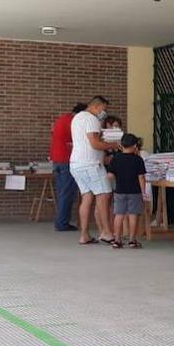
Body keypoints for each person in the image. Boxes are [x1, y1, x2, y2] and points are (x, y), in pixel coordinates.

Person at [71, 96, 118, 244]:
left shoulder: (77, 118)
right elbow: (95, 144)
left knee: (87, 197)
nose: (104, 112)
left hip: (76, 163)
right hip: (90, 164)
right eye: (104, 109)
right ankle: (106, 232)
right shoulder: (92, 119)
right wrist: (114, 145)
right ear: (97, 107)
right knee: (104, 194)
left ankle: (84, 235)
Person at [107, 133, 148, 249]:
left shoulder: (116, 158)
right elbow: (141, 177)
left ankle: (117, 240)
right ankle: (132, 240)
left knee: (119, 215)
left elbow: (110, 175)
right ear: (135, 145)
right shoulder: (138, 160)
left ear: (121, 145)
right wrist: (143, 192)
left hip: (119, 191)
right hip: (134, 192)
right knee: (133, 215)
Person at [50, 104, 84, 232]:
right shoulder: (73, 122)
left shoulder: (61, 119)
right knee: (67, 192)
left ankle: (61, 221)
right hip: (66, 159)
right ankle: (62, 223)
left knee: (62, 192)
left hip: (57, 159)